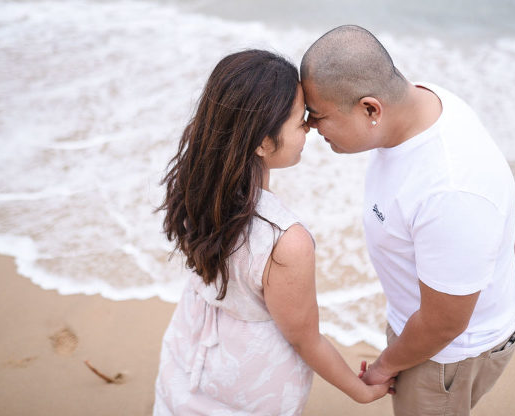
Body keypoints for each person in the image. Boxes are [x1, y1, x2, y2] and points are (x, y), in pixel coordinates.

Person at [300, 25, 515, 415]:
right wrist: (487, 244)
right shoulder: (424, 100)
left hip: (445, 355)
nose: (310, 128)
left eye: (318, 116)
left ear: (370, 109)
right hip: (431, 331)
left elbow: (443, 324)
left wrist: (384, 366)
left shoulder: (449, 190)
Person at [153, 49, 392, 415]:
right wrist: (358, 390)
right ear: (263, 142)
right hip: (247, 384)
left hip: (186, 353)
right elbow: (305, 339)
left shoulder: (195, 183)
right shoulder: (285, 241)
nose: (310, 128)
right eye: (301, 121)